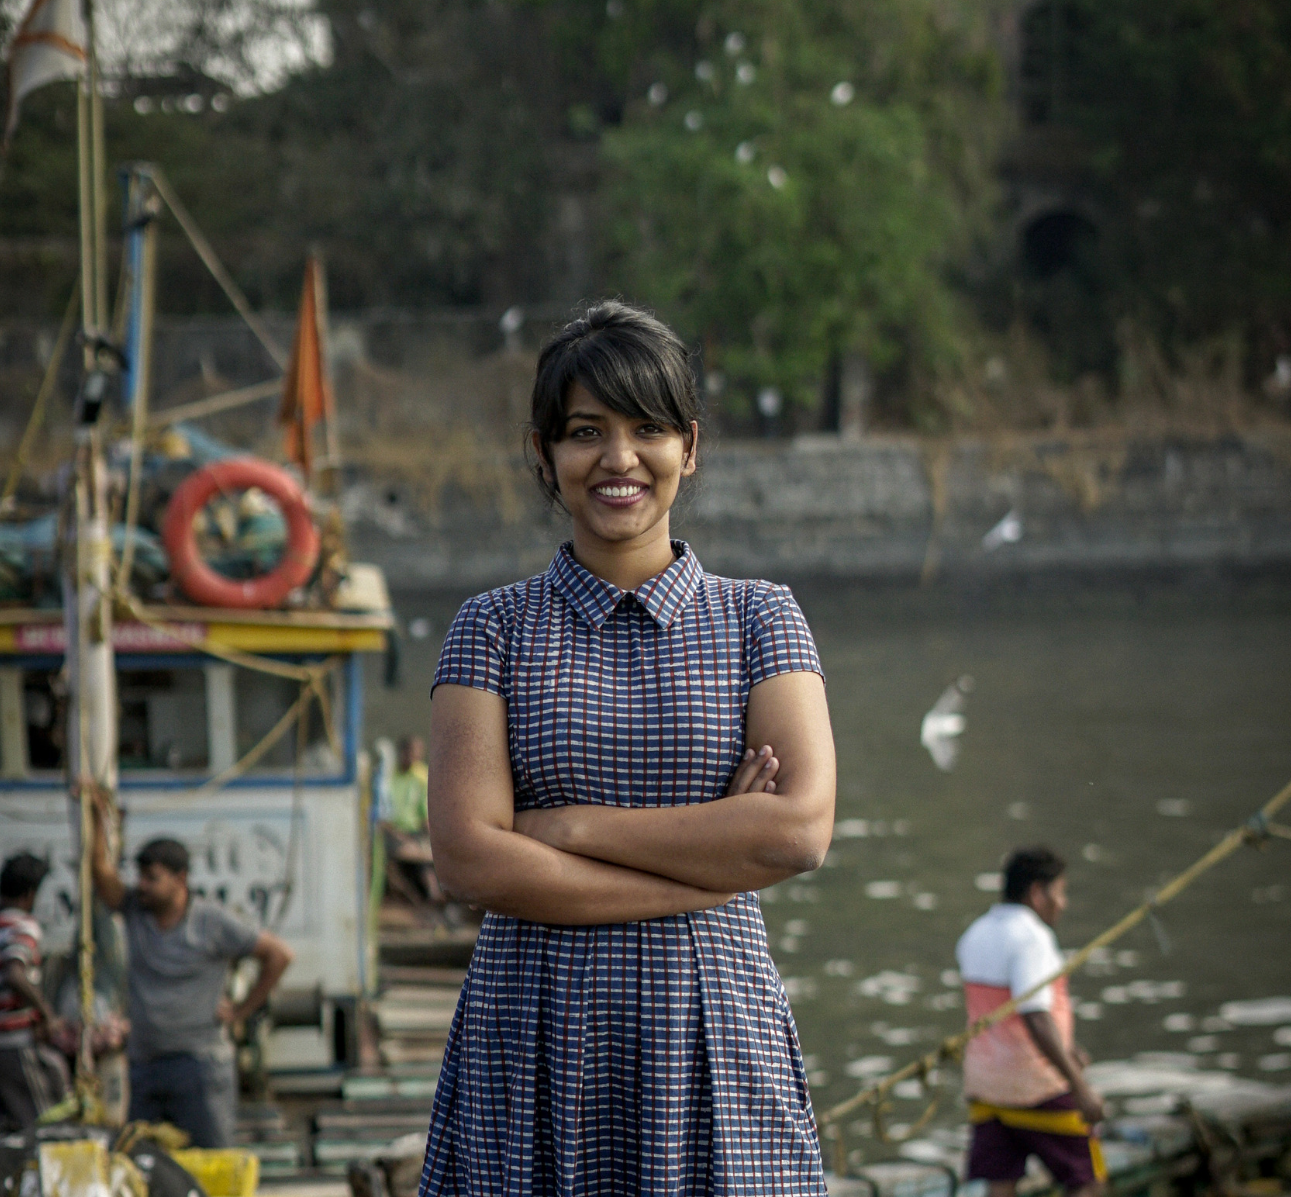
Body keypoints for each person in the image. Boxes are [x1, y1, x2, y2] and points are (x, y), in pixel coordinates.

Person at [420, 301, 837, 1194]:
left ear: (688, 446)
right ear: (543, 452)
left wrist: (565, 828)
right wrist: (712, 861)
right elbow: (464, 855)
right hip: (530, 1029)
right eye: (584, 431)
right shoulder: (489, 629)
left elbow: (797, 832)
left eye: (646, 428)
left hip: (711, 1027)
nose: (618, 459)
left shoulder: (760, 617)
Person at [89, 800, 294, 1147]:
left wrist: (242, 1010)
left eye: (152, 879)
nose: (143, 886)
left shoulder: (211, 921)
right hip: (145, 1065)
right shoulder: (137, 911)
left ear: (180, 879)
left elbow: (278, 955)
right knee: (144, 1168)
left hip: (199, 1067)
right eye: (141, 877)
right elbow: (102, 876)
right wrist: (97, 819)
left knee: (208, 1166)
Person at [956, 846, 1106, 1197]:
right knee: (1088, 1180)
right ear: (1037, 892)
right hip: (1035, 1087)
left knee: (1000, 1184)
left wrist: (1068, 1049)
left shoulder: (976, 933)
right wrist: (1079, 1086)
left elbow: (1000, 1013)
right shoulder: (1032, 939)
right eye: (1060, 891)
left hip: (987, 1089)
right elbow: (1036, 1018)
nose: (1063, 903)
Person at [0, 853, 68, 1131]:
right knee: (43, 1124)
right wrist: (47, 1014)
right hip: (15, 1042)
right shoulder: (22, 926)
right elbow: (15, 973)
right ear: (31, 893)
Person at [380, 735, 445, 905]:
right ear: (402, 752)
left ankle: (433, 897)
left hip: (414, 832)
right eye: (410, 753)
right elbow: (382, 813)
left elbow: (425, 813)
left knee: (424, 860)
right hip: (391, 832)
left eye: (417, 753)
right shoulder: (388, 776)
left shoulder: (421, 776)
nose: (414, 757)